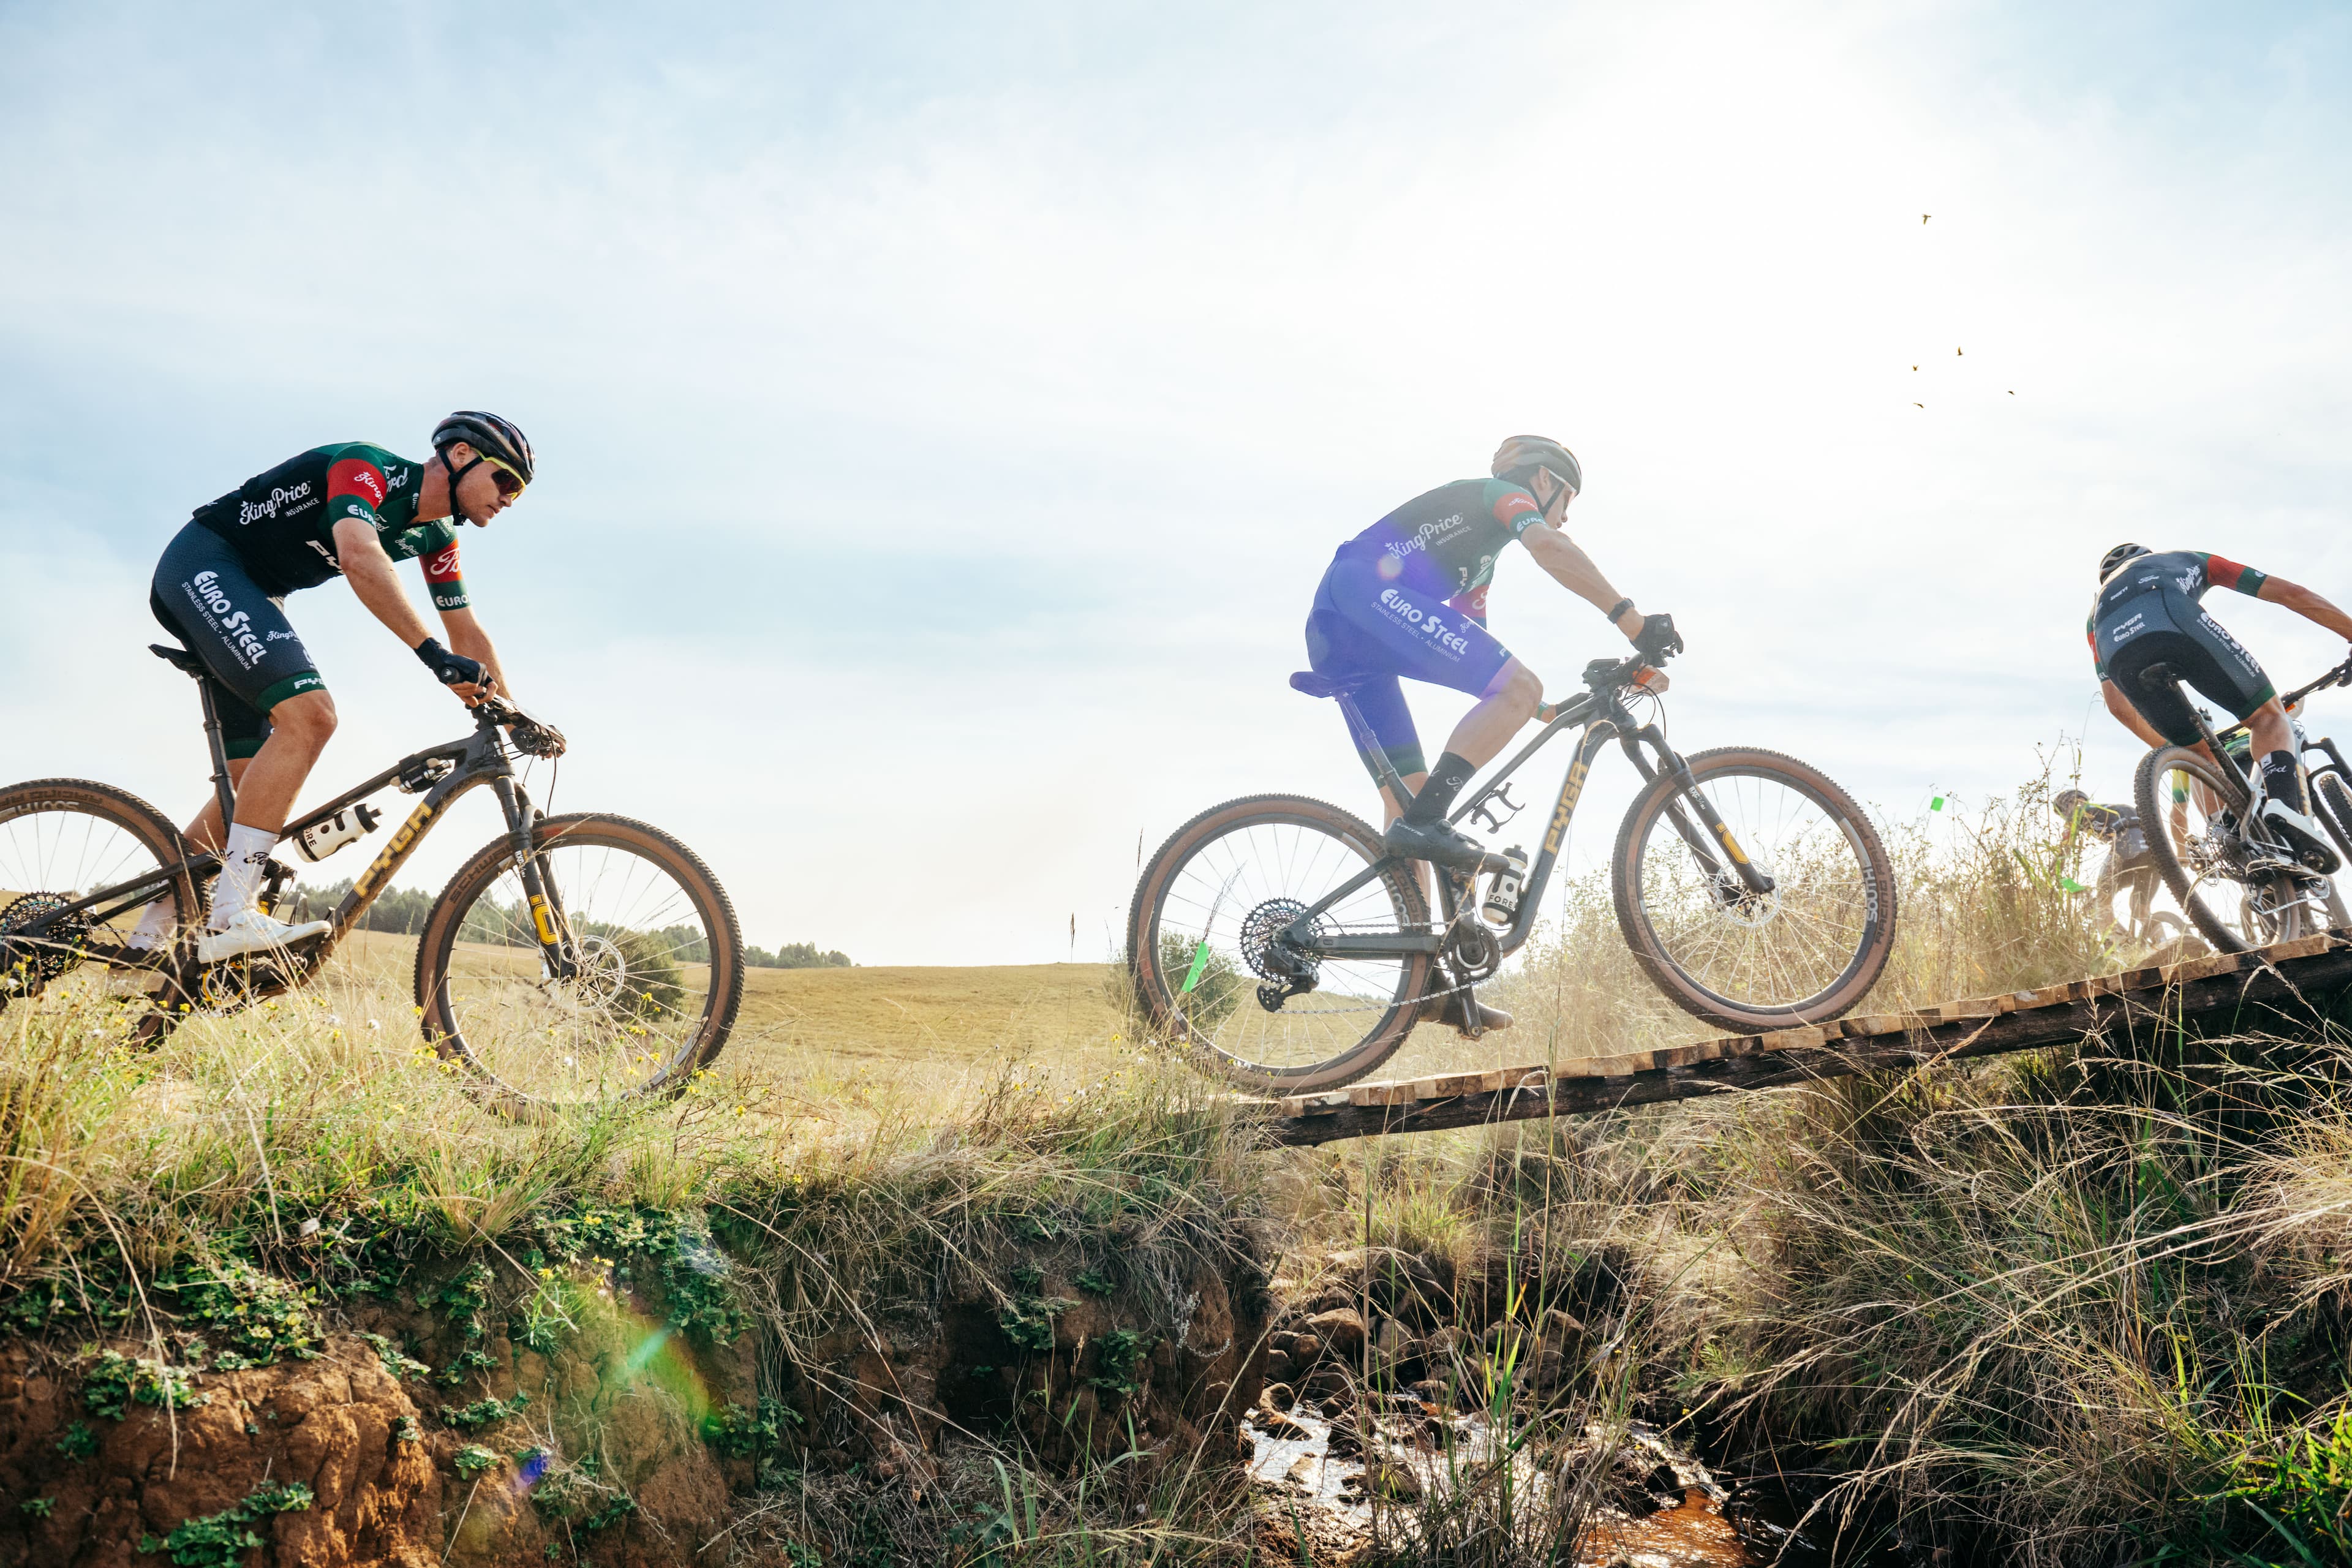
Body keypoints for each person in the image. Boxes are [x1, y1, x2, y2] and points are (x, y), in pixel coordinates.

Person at [137, 412, 557, 962]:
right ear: (459, 456)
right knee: (312, 716)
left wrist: (512, 710)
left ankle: (145, 940)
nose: (509, 499)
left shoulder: (436, 535)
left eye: (519, 493)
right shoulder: (367, 468)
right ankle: (232, 915)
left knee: (246, 796)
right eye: (506, 480)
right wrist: (433, 657)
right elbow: (360, 555)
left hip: (257, 594)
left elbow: (466, 629)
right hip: (204, 564)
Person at [1301, 435, 1679, 1031]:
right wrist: (1633, 621)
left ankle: (1422, 982)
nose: (1567, 511)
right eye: (1568, 496)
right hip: (1362, 595)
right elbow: (1553, 547)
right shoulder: (1499, 495)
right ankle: (1429, 828)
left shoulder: (1476, 565)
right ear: (1546, 481)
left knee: (1415, 810)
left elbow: (1486, 666)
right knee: (1437, 807)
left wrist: (1550, 708)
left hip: (1343, 632)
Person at [2088, 543, 2352, 868]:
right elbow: (2292, 594)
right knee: (2268, 717)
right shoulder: (2188, 560)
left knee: (2202, 756)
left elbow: (2117, 707)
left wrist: (2182, 752)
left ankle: (2231, 842)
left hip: (2120, 658)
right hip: (2176, 621)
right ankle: (2286, 809)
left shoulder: (2095, 615)